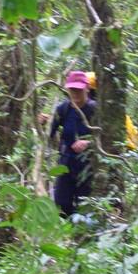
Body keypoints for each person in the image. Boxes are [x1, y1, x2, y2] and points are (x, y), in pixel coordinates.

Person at [40, 71, 97, 217]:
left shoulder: (95, 110)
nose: (75, 93)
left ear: (87, 89)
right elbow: (48, 134)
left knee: (84, 207)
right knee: (61, 205)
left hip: (88, 167)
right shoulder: (63, 109)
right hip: (66, 165)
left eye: (79, 89)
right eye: (72, 90)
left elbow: (106, 137)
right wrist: (43, 124)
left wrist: (89, 143)